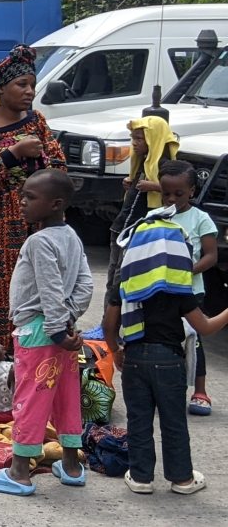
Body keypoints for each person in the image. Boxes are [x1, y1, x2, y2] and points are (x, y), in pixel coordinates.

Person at [103, 184, 228, 497]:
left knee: (139, 420)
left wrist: (116, 350)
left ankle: (142, 477)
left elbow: (108, 324)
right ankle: (182, 479)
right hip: (169, 362)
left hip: (133, 358)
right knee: (174, 423)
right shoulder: (179, 291)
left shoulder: (125, 286)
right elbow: (207, 327)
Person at [0, 169, 92, 496]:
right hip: (63, 331)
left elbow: (50, 290)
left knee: (30, 400)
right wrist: (68, 320)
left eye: (30, 197)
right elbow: (85, 284)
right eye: (22, 194)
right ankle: (71, 465)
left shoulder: (39, 242)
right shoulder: (71, 236)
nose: (21, 201)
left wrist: (56, 329)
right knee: (67, 399)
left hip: (40, 332)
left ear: (56, 204)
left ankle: (18, 472)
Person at [0, 45, 65, 352]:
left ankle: (35, 349)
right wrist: (12, 154)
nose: (29, 92)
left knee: (40, 285)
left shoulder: (36, 120)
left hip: (37, 222)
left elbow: (59, 165)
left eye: (32, 85)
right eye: (21, 84)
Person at [155, 161, 219, 416]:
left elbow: (211, 256)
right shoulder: (156, 216)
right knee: (166, 339)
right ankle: (167, 389)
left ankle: (200, 391)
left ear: (192, 191)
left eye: (178, 194)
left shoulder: (200, 218)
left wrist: (186, 271)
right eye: (166, 193)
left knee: (193, 339)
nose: (171, 199)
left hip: (191, 291)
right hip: (161, 289)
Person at [106, 116, 179, 310]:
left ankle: (114, 323)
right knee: (113, 273)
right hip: (122, 225)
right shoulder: (142, 162)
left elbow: (177, 193)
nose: (135, 143)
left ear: (153, 138)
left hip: (138, 230)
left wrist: (154, 186)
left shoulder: (164, 165)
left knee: (122, 277)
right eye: (133, 138)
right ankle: (105, 323)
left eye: (140, 138)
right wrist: (129, 185)